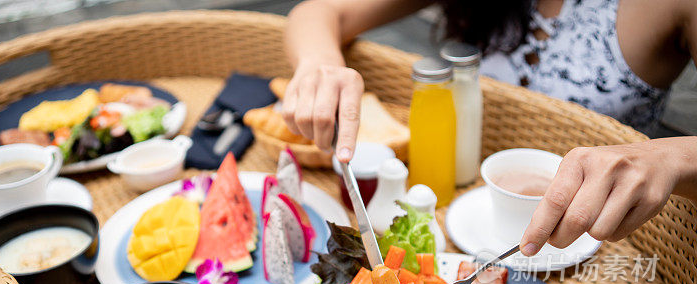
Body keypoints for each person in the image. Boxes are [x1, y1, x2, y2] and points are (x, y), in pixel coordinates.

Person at [281, 0, 697, 256]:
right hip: (473, 211)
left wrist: (669, 156)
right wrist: (320, 64)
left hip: (606, 238)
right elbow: (319, 10)